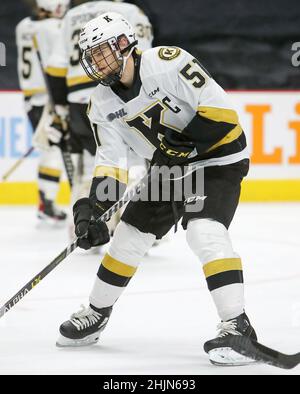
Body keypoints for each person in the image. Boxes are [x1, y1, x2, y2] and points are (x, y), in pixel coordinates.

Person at [57, 12, 257, 366]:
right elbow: (112, 164)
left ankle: (238, 326)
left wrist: (181, 142)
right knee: (129, 236)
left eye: (100, 51)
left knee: (203, 231)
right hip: (170, 169)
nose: (94, 61)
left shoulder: (170, 63)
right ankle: (96, 312)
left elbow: (222, 115)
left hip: (217, 160)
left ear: (124, 44)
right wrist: (91, 210)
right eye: (90, 55)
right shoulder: (100, 104)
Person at [45, 1, 153, 239]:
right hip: (119, 95)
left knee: (88, 166)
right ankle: (133, 228)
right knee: (133, 164)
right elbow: (142, 57)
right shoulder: (130, 12)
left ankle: (81, 228)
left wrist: (60, 110)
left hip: (77, 102)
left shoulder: (71, 15)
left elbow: (55, 67)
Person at [16, 0, 70, 225]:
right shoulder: (53, 28)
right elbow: (56, 65)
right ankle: (46, 202)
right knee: (56, 151)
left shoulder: (23, 25)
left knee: (51, 149)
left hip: (30, 98)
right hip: (47, 99)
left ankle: (46, 202)